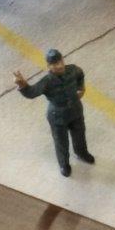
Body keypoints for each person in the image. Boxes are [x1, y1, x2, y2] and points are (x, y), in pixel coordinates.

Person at [13, 49, 94, 177]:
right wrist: (23, 85)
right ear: (49, 66)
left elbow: (80, 75)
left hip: (75, 110)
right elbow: (32, 92)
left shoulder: (73, 70)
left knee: (79, 134)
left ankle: (81, 152)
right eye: (55, 64)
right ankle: (64, 163)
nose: (60, 65)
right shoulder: (47, 81)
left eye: (60, 61)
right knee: (61, 141)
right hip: (57, 115)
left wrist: (81, 88)